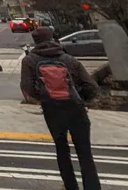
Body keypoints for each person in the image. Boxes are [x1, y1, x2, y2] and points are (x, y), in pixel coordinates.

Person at [20, 25, 102, 190]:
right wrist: (83, 99)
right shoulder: (68, 59)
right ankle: (92, 186)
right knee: (84, 151)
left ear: (35, 41)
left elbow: (26, 87)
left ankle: (70, 186)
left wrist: (43, 97)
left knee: (61, 149)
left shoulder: (29, 61)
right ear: (52, 38)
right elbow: (91, 86)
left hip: (52, 110)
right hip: (75, 109)